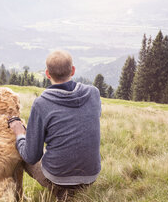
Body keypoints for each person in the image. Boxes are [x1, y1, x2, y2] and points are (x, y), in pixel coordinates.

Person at [10, 50, 101, 201]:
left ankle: (23, 197)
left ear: (47, 74)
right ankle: (71, 193)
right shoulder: (94, 93)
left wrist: (20, 134)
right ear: (72, 70)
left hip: (58, 179)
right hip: (91, 175)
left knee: (21, 152)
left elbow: (32, 156)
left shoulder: (41, 104)